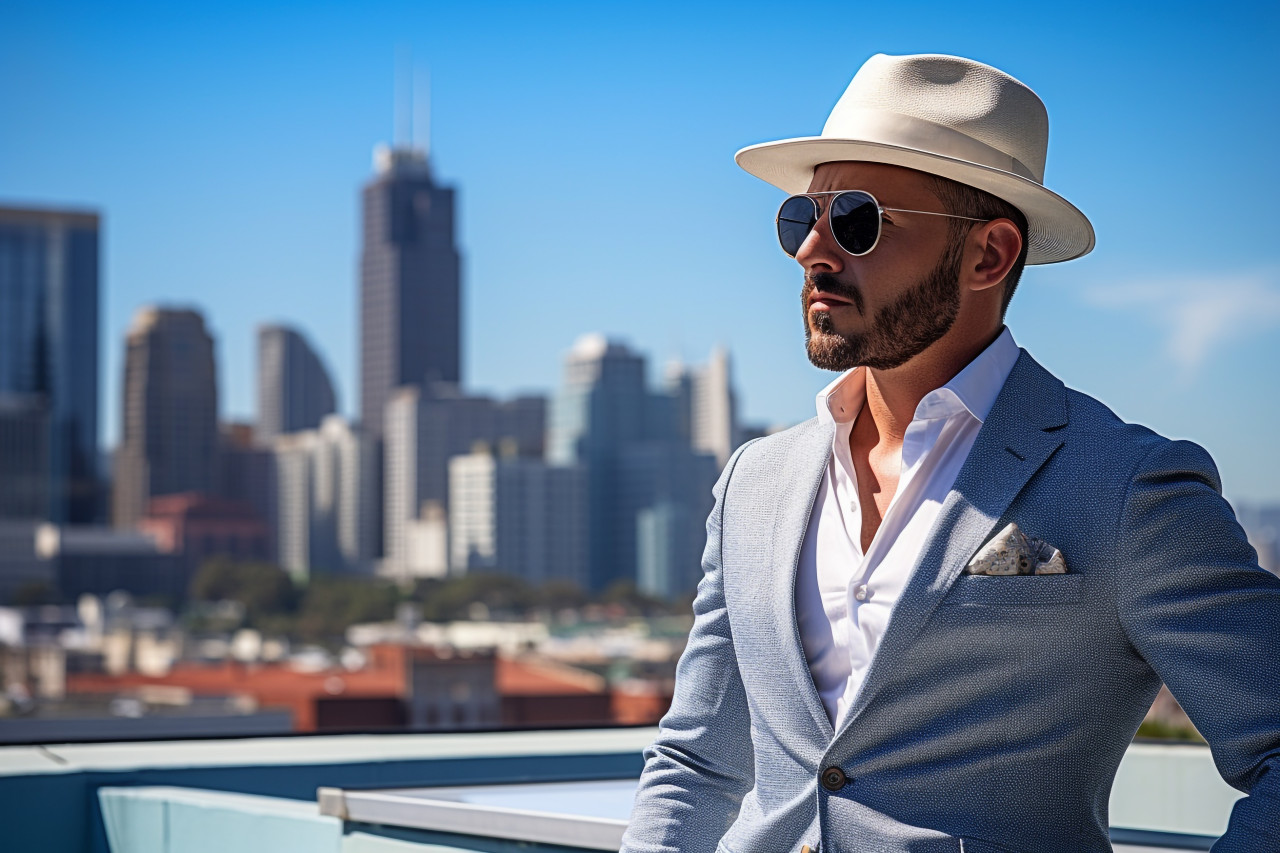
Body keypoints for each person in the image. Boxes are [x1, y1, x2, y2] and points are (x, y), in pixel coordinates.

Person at [620, 53, 1280, 853]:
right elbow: (696, 761)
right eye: (801, 218)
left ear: (988, 255)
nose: (812, 251)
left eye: (857, 219)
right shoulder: (754, 483)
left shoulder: (1127, 488)